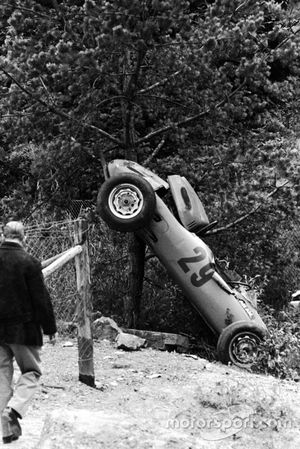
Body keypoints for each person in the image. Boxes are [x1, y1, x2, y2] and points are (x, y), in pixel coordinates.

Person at [0, 221, 57, 444]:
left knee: (2, 375)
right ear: (24, 237)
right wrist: (50, 328)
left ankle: (6, 429)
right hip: (23, 330)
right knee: (31, 372)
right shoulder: (30, 263)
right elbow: (41, 300)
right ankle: (14, 410)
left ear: (3, 235)